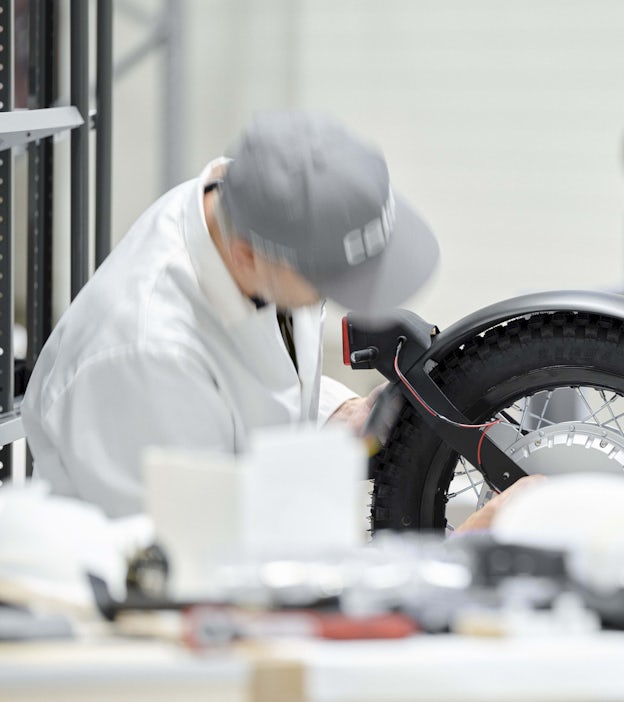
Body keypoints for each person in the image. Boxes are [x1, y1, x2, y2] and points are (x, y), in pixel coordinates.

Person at [23, 111, 506, 524]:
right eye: (328, 284)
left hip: (238, 523)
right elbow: (194, 580)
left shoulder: (257, 208)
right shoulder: (144, 356)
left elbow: (258, 369)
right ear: (249, 256)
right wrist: (469, 547)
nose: (335, 298)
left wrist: (341, 416)